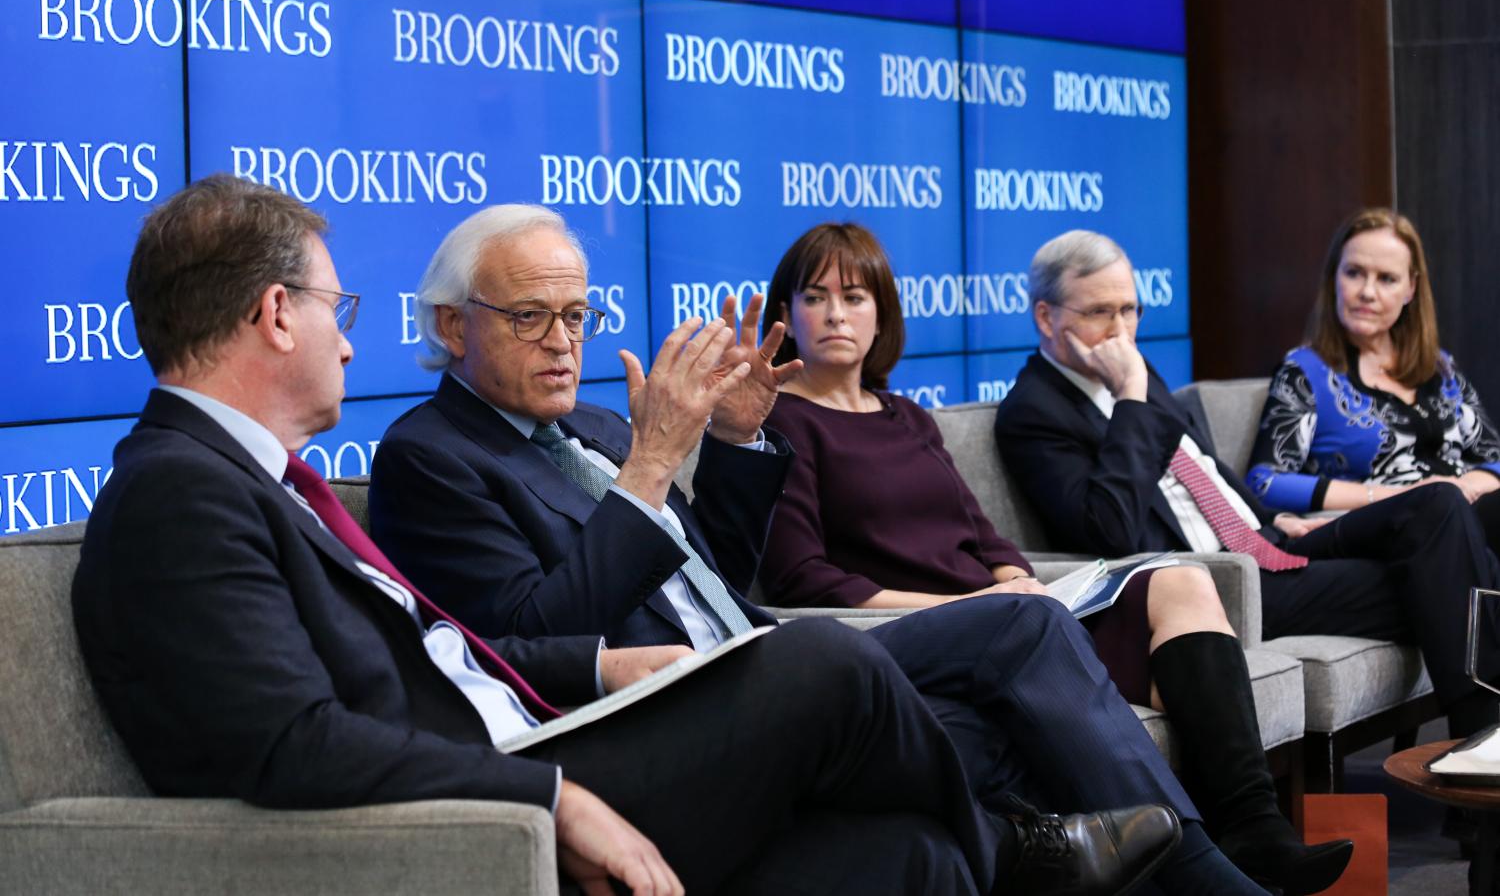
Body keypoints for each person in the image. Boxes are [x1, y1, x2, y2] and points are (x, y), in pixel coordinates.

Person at [72, 176, 1184, 896]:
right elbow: (296, 743)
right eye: (335, 311)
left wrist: (722, 459)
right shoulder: (183, 494)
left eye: (576, 316)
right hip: (516, 775)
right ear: (276, 314)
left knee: (910, 857)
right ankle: (1025, 850)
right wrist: (552, 795)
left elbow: (502, 641)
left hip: (583, 716)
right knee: (826, 662)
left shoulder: (255, 481)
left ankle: (1051, 855)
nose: (349, 345)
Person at [370, 202, 1276, 896]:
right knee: (930, 732)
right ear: (451, 326)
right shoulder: (430, 457)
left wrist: (733, 443)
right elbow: (522, 635)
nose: (564, 342)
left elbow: (715, 572)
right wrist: (647, 471)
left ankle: (1195, 862)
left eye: (577, 315)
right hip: (683, 707)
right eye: (531, 317)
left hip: (755, 651)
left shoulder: (598, 425)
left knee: (1022, 627)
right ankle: (1056, 852)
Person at [753, 221, 1350, 896]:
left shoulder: (907, 416)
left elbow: (984, 535)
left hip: (1013, 623)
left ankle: (1254, 827)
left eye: (855, 296)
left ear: (881, 312)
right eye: (816, 297)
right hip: (932, 634)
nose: (837, 314)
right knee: (1086, 642)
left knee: (1179, 580)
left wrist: (1016, 578)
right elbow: (803, 578)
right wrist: (975, 605)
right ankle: (1200, 870)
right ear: (786, 315)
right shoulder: (781, 422)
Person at [992, 228, 1500, 752]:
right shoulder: (1035, 412)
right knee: (1462, 573)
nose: (1121, 332)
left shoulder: (1135, 370)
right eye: (1100, 312)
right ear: (1046, 317)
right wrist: (1130, 401)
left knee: (1439, 505)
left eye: (1130, 310)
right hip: (1222, 582)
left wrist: (1271, 519)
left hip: (1267, 541)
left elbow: (1206, 472)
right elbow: (1110, 529)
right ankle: (1481, 742)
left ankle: (1481, 743)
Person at [1247, 206, 1500, 563]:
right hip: (1381, 526)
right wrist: (1401, 495)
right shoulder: (1305, 371)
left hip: (1459, 515)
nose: (1367, 292)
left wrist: (1464, 486)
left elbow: (1494, 460)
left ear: (1411, 288)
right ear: (1334, 278)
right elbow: (1265, 482)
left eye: (1386, 279)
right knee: (1443, 507)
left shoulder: (1439, 367)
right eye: (1354, 273)